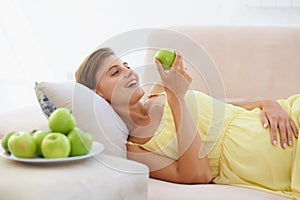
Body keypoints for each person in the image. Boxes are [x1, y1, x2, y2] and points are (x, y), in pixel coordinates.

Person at [75, 47, 299, 199]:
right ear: (99, 95)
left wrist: (269, 104)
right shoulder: (134, 149)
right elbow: (198, 175)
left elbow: (228, 111)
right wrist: (177, 97)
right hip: (264, 161)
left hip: (287, 116)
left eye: (125, 65)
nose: (129, 72)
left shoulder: (160, 90)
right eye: (115, 72)